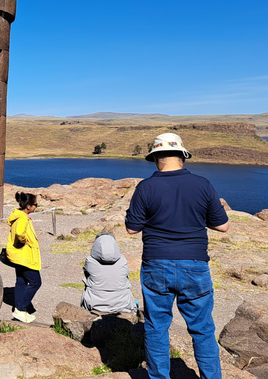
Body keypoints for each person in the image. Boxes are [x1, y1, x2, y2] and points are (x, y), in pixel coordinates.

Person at [125, 133, 230, 379]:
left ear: (154, 158)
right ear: (183, 155)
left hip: (156, 265)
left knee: (156, 328)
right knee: (203, 329)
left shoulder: (145, 187)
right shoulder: (203, 184)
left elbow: (132, 228)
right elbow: (223, 226)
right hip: (195, 265)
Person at [6, 191, 42, 323]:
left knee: (21, 281)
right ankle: (21, 309)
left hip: (18, 256)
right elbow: (20, 233)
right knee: (36, 282)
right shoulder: (22, 218)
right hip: (24, 256)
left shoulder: (18, 215)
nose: (36, 207)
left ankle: (19, 310)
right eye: (35, 205)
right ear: (28, 206)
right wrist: (23, 241)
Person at [81, 232, 138, 314]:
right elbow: (126, 277)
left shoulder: (90, 261)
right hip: (122, 304)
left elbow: (86, 275)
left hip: (94, 303)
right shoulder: (123, 261)